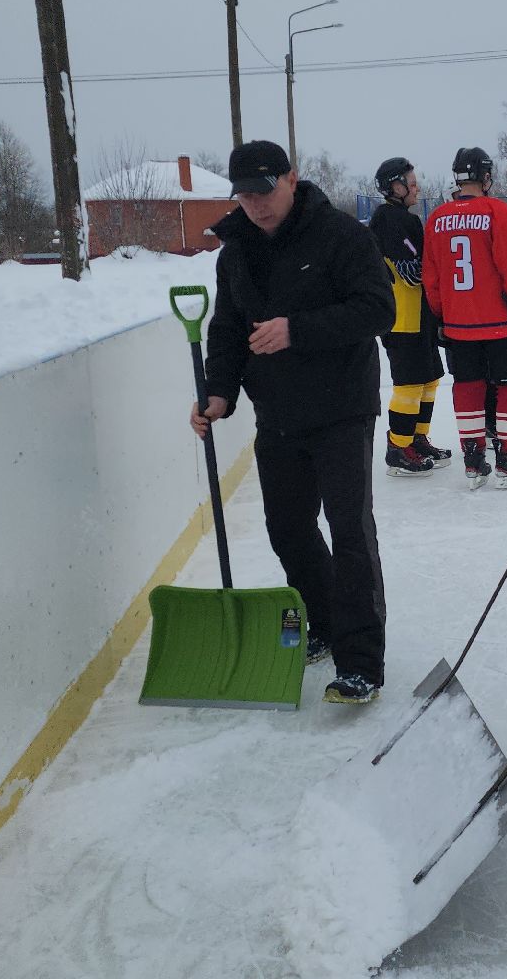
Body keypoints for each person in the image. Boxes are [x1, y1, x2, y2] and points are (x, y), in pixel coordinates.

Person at [192, 140, 396, 704]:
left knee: (350, 530)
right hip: (277, 413)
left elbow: (380, 309)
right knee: (288, 529)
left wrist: (296, 329)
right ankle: (326, 624)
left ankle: (361, 663)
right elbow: (228, 329)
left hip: (341, 409)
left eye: (264, 190)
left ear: (291, 178)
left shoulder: (343, 237)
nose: (255, 204)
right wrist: (217, 393)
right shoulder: (235, 251)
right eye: (245, 195)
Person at [423, 145, 507, 489]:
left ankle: (474, 461)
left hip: (458, 326)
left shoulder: (436, 218)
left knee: (468, 386)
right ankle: (506, 458)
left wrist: (440, 316)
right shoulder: (498, 212)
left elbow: (431, 276)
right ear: (486, 177)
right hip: (499, 323)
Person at [367, 157, 451, 477]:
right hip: (402, 319)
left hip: (420, 316)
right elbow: (413, 273)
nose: (416, 188)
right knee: (409, 384)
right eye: (411, 183)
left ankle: (415, 439)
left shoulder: (405, 218)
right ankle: (398, 449)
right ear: (395, 187)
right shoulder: (390, 220)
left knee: (429, 379)